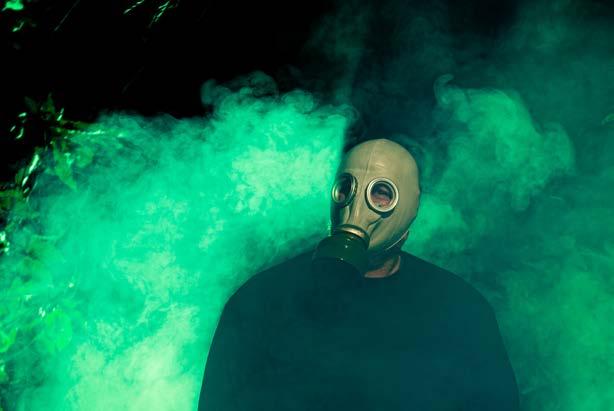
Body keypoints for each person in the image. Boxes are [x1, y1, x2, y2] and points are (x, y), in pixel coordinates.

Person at [198, 139, 519, 410]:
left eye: (381, 192)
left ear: (410, 208)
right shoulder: (260, 301)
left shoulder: (460, 308)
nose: (357, 207)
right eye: (346, 188)